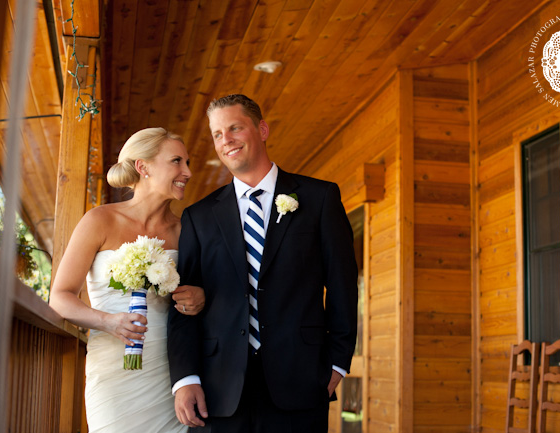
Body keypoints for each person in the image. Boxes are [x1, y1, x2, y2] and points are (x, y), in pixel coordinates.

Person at [168, 94, 358, 432]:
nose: (225, 140)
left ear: (262, 129)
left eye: (235, 128)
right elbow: (181, 301)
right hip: (218, 388)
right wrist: (185, 378)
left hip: (301, 381)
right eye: (217, 134)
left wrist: (339, 363)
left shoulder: (320, 198)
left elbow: (343, 285)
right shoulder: (199, 217)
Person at [50, 127, 205, 433]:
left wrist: (201, 296)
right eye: (176, 161)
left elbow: (204, 293)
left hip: (168, 371)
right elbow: (60, 296)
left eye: (187, 162)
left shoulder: (186, 230)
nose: (187, 172)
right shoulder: (99, 220)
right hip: (112, 369)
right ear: (143, 167)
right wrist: (108, 321)